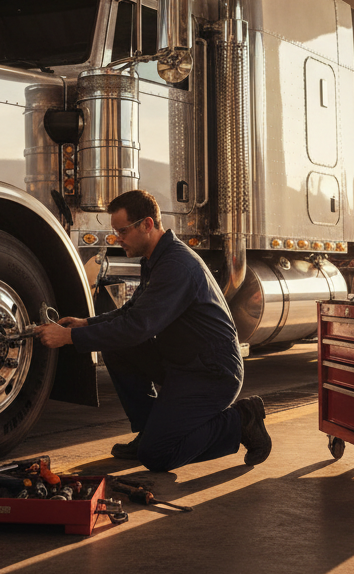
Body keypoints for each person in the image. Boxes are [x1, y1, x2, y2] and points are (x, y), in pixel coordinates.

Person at [36, 189, 272, 472]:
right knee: (116, 345)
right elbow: (132, 312)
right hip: (183, 362)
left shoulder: (176, 265)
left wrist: (69, 338)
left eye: (122, 231)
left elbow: (138, 327)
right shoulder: (156, 259)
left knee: (157, 455)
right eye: (115, 231)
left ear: (147, 224)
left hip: (211, 374)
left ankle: (241, 421)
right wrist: (86, 323)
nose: (117, 238)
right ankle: (148, 430)